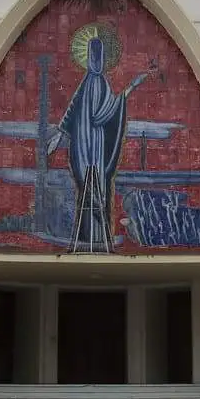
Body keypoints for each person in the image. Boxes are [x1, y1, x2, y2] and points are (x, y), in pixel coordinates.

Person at [46, 36, 148, 251]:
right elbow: (86, 112)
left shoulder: (97, 82)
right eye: (93, 56)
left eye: (97, 56)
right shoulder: (92, 83)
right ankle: (89, 236)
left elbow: (98, 112)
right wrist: (58, 135)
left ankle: (98, 236)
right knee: (91, 187)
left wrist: (130, 89)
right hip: (86, 145)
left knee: (96, 187)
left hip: (93, 145)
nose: (95, 60)